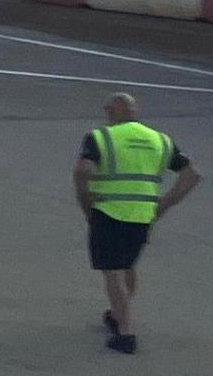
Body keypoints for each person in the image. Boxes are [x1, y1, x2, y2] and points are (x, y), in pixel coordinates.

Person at [79, 92, 197, 354]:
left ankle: (126, 333)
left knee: (113, 272)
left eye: (108, 109)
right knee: (127, 266)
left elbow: (83, 171)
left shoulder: (101, 137)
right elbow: (192, 175)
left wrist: (85, 201)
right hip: (143, 215)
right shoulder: (160, 140)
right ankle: (117, 314)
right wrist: (163, 204)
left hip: (109, 211)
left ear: (114, 111)